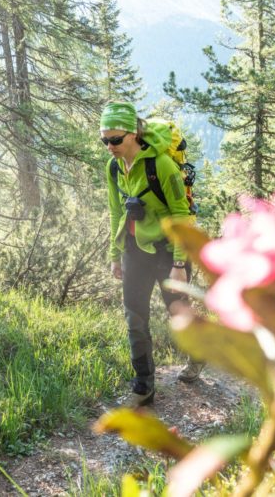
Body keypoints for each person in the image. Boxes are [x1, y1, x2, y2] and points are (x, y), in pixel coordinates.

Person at [101, 101, 204, 408]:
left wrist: (178, 263)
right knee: (134, 317)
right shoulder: (113, 167)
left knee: (178, 310)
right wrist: (115, 254)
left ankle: (198, 354)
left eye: (116, 139)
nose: (110, 146)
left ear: (134, 133)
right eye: (104, 140)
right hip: (135, 250)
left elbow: (181, 214)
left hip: (168, 249)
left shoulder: (162, 165)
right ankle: (143, 386)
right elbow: (116, 210)